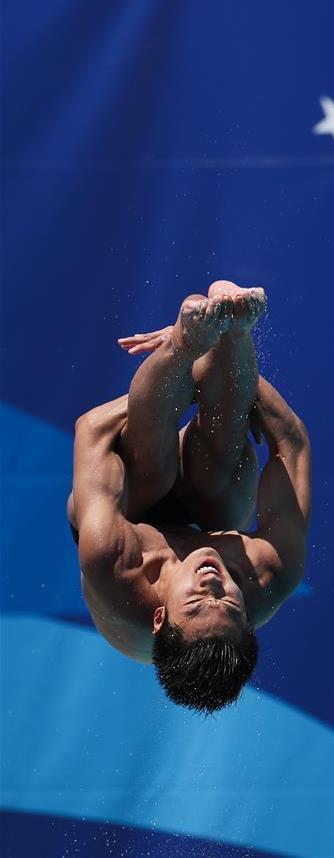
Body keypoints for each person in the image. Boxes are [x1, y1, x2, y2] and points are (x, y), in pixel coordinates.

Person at [67, 281, 311, 713]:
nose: (212, 583)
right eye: (228, 601)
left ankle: (190, 336)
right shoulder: (270, 572)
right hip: (210, 509)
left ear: (160, 618)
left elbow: (92, 429)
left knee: (151, 467)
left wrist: (181, 355)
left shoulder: (113, 563)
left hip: (129, 508)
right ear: (248, 619)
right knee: (222, 458)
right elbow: (291, 443)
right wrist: (229, 354)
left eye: (198, 602)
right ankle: (236, 325)